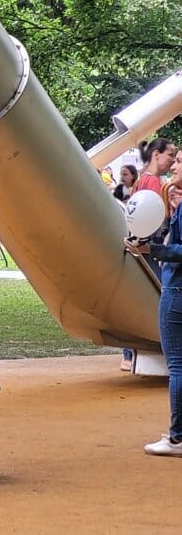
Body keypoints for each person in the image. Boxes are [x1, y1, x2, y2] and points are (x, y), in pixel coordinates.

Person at [130, 151, 182, 456]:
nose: (173, 166)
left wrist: (153, 250)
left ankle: (177, 437)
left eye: (178, 162)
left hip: (176, 290)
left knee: (176, 365)